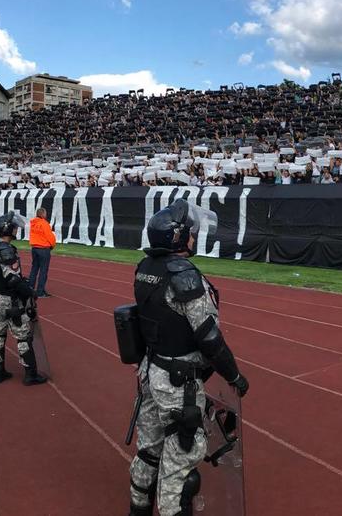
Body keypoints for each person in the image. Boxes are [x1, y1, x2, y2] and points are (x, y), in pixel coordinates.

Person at [127, 199, 249, 516]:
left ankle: (138, 508)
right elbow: (208, 336)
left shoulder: (145, 268)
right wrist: (234, 375)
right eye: (189, 232)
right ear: (177, 237)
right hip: (177, 380)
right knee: (183, 455)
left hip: (150, 371)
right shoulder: (185, 276)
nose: (193, 236)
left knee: (149, 448)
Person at [0, 211, 47, 385]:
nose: (16, 230)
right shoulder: (6, 251)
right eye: (14, 228)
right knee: (23, 336)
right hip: (10, 300)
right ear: (7, 229)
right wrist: (30, 293)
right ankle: (30, 374)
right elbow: (12, 279)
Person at [27, 207, 56, 298]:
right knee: (43, 270)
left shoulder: (33, 223)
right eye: (45, 213)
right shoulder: (44, 223)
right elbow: (50, 236)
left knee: (34, 269)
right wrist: (52, 245)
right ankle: (40, 291)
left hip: (34, 248)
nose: (46, 215)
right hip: (43, 249)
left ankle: (30, 288)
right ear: (42, 214)